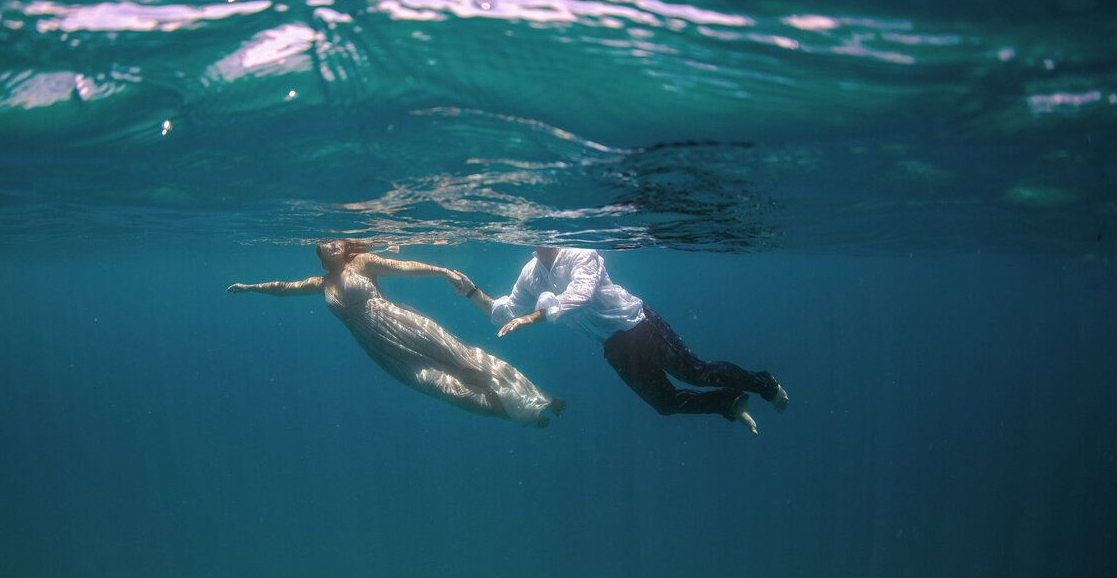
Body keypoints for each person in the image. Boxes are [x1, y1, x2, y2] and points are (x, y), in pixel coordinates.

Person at [227, 239, 565, 427]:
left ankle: (542, 398)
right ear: (319, 255)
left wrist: (442, 271)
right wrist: (251, 287)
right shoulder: (321, 284)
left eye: (335, 242)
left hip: (407, 325)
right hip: (381, 350)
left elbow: (404, 267)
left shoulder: (362, 264)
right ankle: (522, 413)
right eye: (323, 244)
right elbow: (285, 287)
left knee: (468, 362)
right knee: (447, 390)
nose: (329, 246)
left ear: (346, 248)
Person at [456, 246, 787, 434]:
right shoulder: (531, 273)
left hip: (638, 324)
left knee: (696, 372)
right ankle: (729, 403)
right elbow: (507, 309)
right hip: (612, 346)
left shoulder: (581, 252)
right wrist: (471, 291)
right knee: (665, 404)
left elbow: (580, 296)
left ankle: (764, 384)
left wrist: (532, 318)